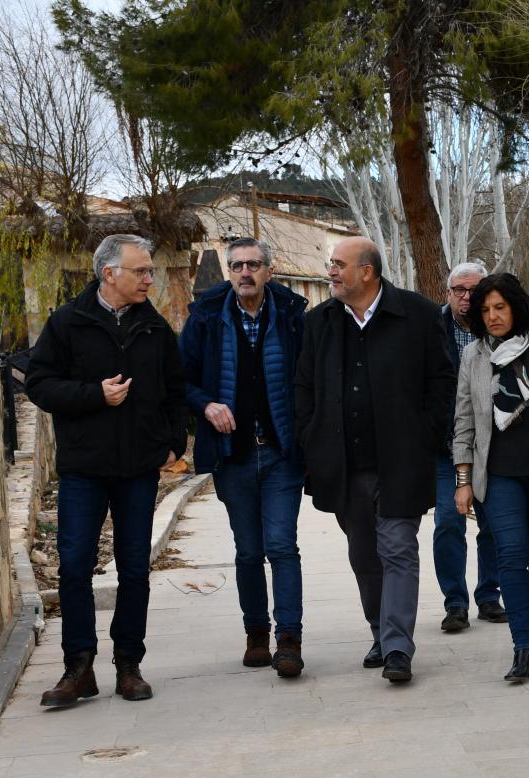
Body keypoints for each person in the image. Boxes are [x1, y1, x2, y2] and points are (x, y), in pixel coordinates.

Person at [27, 234, 188, 707]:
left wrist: (171, 443)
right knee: (75, 567)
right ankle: (78, 669)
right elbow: (39, 384)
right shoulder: (67, 323)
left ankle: (128, 666)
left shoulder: (156, 329)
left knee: (134, 568)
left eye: (150, 270)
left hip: (138, 469)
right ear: (109, 274)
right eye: (140, 271)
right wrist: (93, 395)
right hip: (83, 468)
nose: (148, 278)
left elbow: (177, 393)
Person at [294, 236, 455, 684]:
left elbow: (442, 382)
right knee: (364, 554)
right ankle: (380, 633)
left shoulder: (419, 314)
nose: (332, 272)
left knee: (399, 548)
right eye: (332, 264)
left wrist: (425, 432)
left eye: (339, 265)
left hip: (402, 459)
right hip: (345, 465)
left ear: (367, 271)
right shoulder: (319, 322)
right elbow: (303, 386)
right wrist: (311, 434)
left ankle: (399, 646)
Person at [180, 238, 308, 676]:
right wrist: (206, 406)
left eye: (253, 264)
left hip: (280, 454)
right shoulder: (206, 319)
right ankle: (257, 633)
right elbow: (183, 381)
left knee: (282, 546)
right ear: (229, 272)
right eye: (236, 265)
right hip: (233, 455)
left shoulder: (292, 316)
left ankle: (289, 639)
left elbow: (308, 379)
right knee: (249, 551)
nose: (245, 272)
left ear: (269, 270)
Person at [451, 273, 529, 682]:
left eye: (499, 307)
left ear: (516, 306)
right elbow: (464, 422)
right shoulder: (474, 356)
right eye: (485, 310)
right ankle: (523, 648)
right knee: (511, 555)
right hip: (498, 475)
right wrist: (463, 480)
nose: (492, 316)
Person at [435, 261, 504, 632]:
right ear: (448, 293)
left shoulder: (499, 329)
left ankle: (489, 596)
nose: (466, 297)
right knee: (449, 522)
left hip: (493, 446)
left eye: (473, 290)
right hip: (447, 447)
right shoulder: (432, 329)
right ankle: (455, 603)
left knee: (493, 523)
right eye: (458, 290)